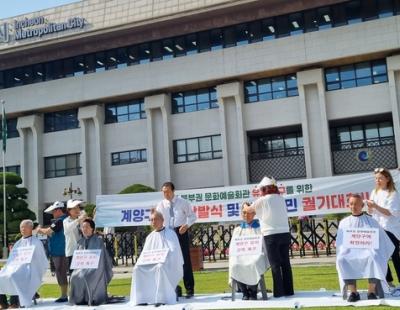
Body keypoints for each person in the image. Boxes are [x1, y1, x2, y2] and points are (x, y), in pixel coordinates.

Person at [336, 194, 394, 302]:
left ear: (362, 205)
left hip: (368, 251)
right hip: (350, 251)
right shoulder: (343, 223)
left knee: (375, 258)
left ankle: (371, 291)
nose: (353, 206)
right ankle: (353, 292)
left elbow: (381, 240)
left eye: (356, 204)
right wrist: (344, 251)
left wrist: (374, 248)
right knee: (342, 259)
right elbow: (340, 242)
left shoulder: (371, 221)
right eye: (351, 204)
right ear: (348, 205)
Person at [130, 209, 184, 306]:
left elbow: (174, 252)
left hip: (166, 264)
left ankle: (161, 298)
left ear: (162, 220)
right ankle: (141, 299)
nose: (153, 222)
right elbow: (144, 254)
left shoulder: (170, 233)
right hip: (151, 263)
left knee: (160, 267)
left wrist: (162, 257)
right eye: (151, 220)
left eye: (155, 219)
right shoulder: (150, 237)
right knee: (137, 268)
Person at [251, 176, 294, 298]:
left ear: (265, 189)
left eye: (260, 190)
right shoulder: (281, 199)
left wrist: (244, 206)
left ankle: (279, 292)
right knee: (285, 263)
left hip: (271, 235)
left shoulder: (262, 200)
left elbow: (249, 209)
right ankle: (289, 290)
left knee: (275, 265)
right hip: (285, 234)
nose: (259, 192)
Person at [156, 181, 196, 298]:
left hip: (180, 232)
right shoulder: (161, 205)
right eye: (164, 192)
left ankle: (190, 290)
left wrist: (187, 225)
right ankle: (174, 289)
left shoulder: (183, 202)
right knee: (168, 262)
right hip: (167, 233)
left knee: (185, 262)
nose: (166, 194)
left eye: (168, 191)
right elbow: (158, 219)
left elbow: (192, 216)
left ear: (173, 191)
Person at [0, 220, 48, 308]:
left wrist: (30, 264)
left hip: (30, 269)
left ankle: (14, 302)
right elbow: (12, 259)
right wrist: (8, 267)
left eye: (25, 227)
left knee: (14, 275)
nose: (23, 229)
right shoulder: (17, 243)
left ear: (30, 228)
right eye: (21, 227)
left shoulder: (36, 242)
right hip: (15, 267)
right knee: (1, 275)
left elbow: (40, 260)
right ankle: (3, 302)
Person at [366, 168, 400, 288]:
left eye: (380, 178)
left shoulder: (393, 194)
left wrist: (375, 206)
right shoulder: (374, 192)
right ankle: (388, 281)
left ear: (387, 179)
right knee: (381, 256)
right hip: (377, 228)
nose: (378, 180)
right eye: (376, 178)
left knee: (395, 255)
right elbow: (371, 212)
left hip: (390, 229)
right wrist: (370, 208)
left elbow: (390, 213)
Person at [229, 203, 269, 300]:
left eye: (248, 212)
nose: (246, 215)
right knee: (235, 264)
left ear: (254, 213)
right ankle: (244, 292)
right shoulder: (238, 230)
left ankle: (253, 291)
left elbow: (264, 246)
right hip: (241, 256)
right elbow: (233, 247)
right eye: (244, 213)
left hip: (256, 255)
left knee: (254, 263)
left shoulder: (260, 228)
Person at [69, 218, 113, 306]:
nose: (84, 229)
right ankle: (79, 299)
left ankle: (91, 298)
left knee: (86, 275)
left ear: (92, 229)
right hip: (82, 268)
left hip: (96, 268)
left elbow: (101, 259)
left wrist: (89, 269)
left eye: (87, 227)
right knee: (74, 276)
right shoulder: (80, 242)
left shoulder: (98, 241)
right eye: (83, 227)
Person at [37, 201, 69, 302]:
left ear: (59, 210)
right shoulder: (64, 220)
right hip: (60, 251)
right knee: (61, 273)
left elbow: (47, 232)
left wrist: (38, 229)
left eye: (54, 211)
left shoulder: (59, 221)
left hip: (60, 252)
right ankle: (64, 294)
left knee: (61, 273)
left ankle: (64, 295)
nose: (53, 214)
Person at [64, 199, 86, 272]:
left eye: (78, 207)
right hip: (72, 252)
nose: (77, 210)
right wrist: (78, 220)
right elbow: (69, 227)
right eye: (74, 208)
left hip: (81, 251)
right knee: (73, 275)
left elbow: (86, 233)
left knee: (82, 274)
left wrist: (84, 220)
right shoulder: (66, 221)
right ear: (69, 210)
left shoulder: (81, 220)